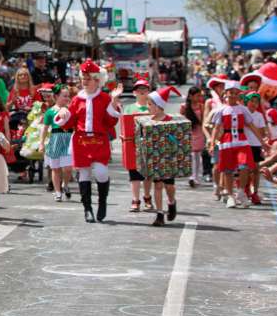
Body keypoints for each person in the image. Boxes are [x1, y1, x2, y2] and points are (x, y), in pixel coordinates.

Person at [53, 59, 123, 223]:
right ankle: (87, 209)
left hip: (99, 141)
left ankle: (102, 202)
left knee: (101, 172)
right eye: (83, 78)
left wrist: (114, 102)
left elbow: (111, 122)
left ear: (97, 80)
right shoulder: (77, 99)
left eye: (88, 78)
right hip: (81, 141)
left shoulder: (104, 98)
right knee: (84, 173)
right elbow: (68, 121)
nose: (84, 81)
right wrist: (63, 113)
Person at [207, 81, 263, 208]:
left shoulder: (243, 110)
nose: (233, 95)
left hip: (242, 141)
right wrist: (212, 143)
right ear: (226, 93)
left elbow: (252, 126)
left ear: (239, 95)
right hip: (227, 141)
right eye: (231, 93)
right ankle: (231, 196)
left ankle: (241, 192)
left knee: (245, 166)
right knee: (228, 170)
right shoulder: (221, 110)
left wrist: (262, 142)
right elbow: (216, 128)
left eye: (236, 93)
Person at [146, 86, 181, 226]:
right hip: (155, 158)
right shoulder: (148, 121)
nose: (148, 107)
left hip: (169, 159)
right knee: (158, 185)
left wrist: (169, 138)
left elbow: (178, 139)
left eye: (150, 104)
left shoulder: (171, 120)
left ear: (158, 106)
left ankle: (172, 202)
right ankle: (159, 214)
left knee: (169, 186)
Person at [39, 85, 73, 202]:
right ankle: (58, 192)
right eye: (64, 96)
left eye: (68, 96)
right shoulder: (50, 111)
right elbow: (44, 128)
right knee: (55, 168)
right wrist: (41, 143)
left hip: (68, 139)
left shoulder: (71, 110)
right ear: (56, 96)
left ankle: (65, 185)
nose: (67, 98)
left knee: (68, 168)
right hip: (56, 139)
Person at [123, 79, 153, 212]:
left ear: (148, 91)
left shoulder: (152, 107)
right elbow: (125, 125)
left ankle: (147, 197)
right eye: (139, 89)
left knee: (147, 174)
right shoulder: (129, 108)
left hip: (149, 144)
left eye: (144, 89)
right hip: (133, 144)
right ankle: (135, 200)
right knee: (134, 173)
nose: (142, 91)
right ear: (134, 92)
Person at [181, 86, 206, 188]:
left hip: (199, 132)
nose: (199, 98)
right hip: (188, 133)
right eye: (197, 96)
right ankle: (192, 176)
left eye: (200, 96)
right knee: (191, 155)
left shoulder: (201, 106)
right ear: (191, 96)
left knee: (198, 155)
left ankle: (196, 176)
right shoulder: (184, 107)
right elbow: (180, 120)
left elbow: (204, 120)